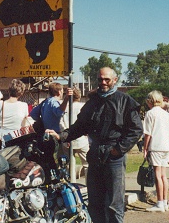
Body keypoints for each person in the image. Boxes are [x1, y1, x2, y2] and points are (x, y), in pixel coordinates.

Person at [46, 67, 143, 223]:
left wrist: (117, 150)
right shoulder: (93, 103)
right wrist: (60, 136)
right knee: (94, 203)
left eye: (107, 79)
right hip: (95, 154)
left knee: (114, 205)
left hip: (114, 159)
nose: (103, 82)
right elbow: (79, 127)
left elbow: (136, 130)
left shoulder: (125, 101)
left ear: (115, 80)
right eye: (100, 79)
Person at [142, 91, 169, 212]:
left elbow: (147, 134)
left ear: (150, 101)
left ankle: (160, 203)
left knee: (157, 175)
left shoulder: (150, 114)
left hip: (155, 146)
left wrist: (145, 149)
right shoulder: (166, 114)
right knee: (163, 175)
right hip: (166, 146)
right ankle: (164, 201)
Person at [60, 87, 90, 179]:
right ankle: (89, 186)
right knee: (87, 164)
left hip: (67, 139)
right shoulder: (83, 106)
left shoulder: (64, 108)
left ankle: (72, 184)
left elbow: (60, 123)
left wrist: (65, 137)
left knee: (70, 165)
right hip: (81, 140)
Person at [0, 79, 29, 146]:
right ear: (21, 93)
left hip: (0, 137)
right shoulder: (24, 105)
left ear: (9, 91)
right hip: (15, 137)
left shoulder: (0, 104)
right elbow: (24, 125)